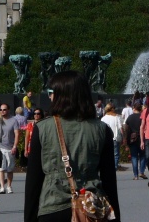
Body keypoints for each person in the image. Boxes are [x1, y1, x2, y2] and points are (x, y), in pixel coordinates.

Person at [24, 70, 120, 222]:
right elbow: (109, 181)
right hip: (91, 208)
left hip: (52, 207)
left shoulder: (42, 128)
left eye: (52, 92)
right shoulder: (102, 129)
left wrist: (29, 218)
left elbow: (33, 183)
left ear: (62, 95)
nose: (50, 96)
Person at [0, 103, 21, 194]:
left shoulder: (13, 120)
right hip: (0, 147)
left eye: (4, 109)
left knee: (10, 169)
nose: (2, 111)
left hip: (10, 147)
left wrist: (15, 146)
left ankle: (9, 186)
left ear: (8, 110)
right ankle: (2, 187)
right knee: (1, 168)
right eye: (1, 109)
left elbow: (17, 134)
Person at [123, 102, 147, 180]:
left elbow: (126, 129)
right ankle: (142, 172)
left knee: (134, 156)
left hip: (132, 139)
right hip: (142, 138)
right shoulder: (143, 117)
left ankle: (135, 175)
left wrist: (126, 140)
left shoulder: (130, 117)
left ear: (134, 108)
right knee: (143, 155)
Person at [100, 103, 123, 171]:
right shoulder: (116, 117)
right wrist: (123, 137)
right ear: (112, 109)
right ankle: (114, 167)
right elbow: (120, 128)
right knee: (116, 154)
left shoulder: (103, 118)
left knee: (107, 154)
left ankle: (108, 167)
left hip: (106, 139)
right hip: (115, 138)